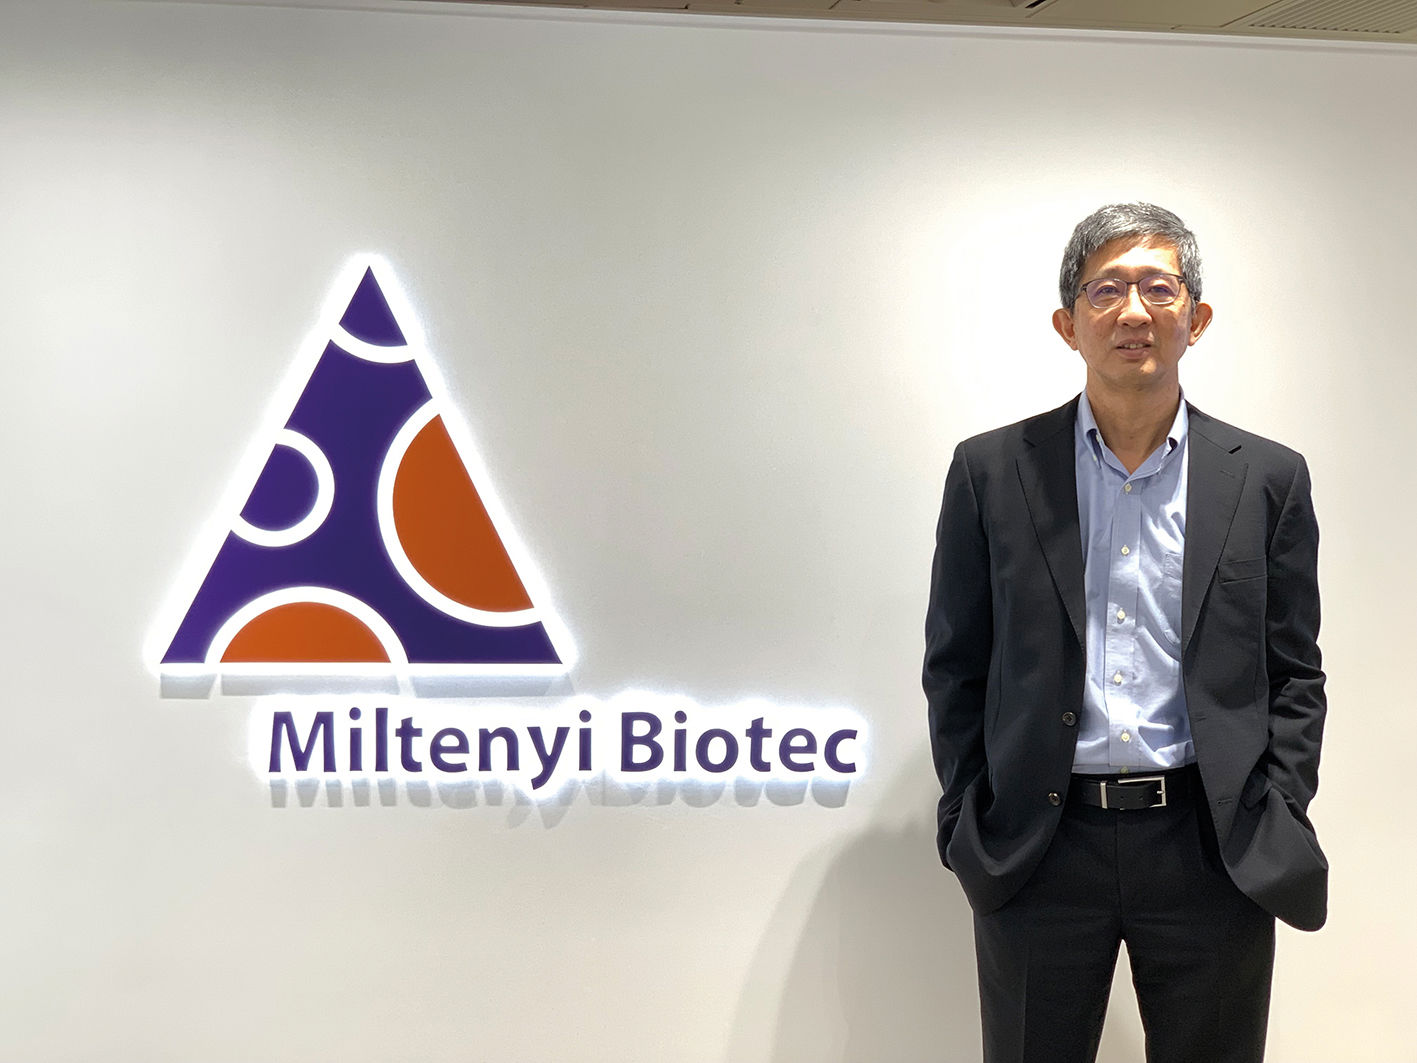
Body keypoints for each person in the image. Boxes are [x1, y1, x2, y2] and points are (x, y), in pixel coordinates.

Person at [923, 202, 1327, 1063]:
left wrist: (1278, 806)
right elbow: (955, 665)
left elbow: (1295, 670)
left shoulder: (1266, 477)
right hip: (1038, 844)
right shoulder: (990, 471)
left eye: (1157, 287)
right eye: (1105, 290)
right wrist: (967, 815)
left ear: (1196, 317)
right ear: (1067, 324)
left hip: (1209, 843)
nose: (1132, 311)